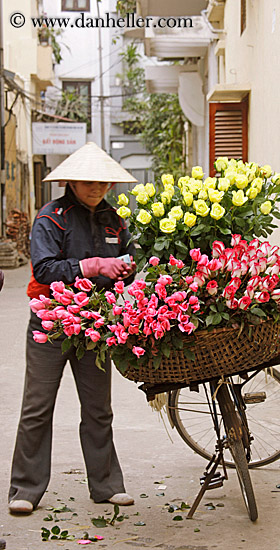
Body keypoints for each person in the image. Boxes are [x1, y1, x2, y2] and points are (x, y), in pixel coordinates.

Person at [8, 142, 138, 514]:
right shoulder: (51, 218)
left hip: (95, 325)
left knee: (99, 408)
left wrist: (125, 270)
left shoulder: (115, 220)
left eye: (101, 183)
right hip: (51, 323)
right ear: (71, 182)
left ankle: (107, 485)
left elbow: (125, 270)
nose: (95, 189)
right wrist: (92, 265)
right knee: (37, 406)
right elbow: (45, 269)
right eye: (87, 183)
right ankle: (25, 489)